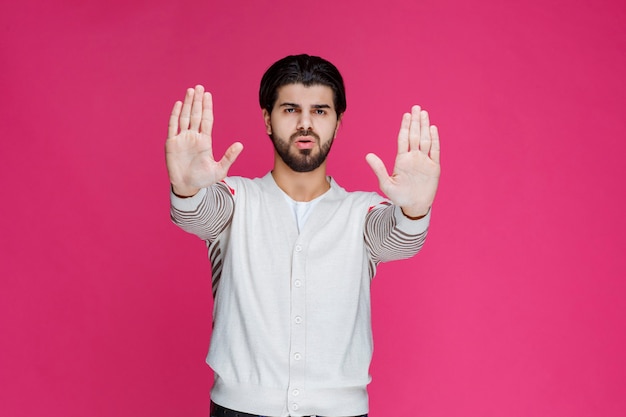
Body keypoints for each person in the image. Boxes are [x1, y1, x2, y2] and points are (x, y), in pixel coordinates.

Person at [166, 54, 440, 417]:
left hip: (340, 412)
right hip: (238, 409)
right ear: (268, 118)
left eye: (321, 111)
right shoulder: (235, 200)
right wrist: (186, 188)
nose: (306, 124)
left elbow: (400, 238)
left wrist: (415, 209)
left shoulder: (361, 213)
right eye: (291, 109)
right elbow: (196, 214)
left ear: (338, 123)